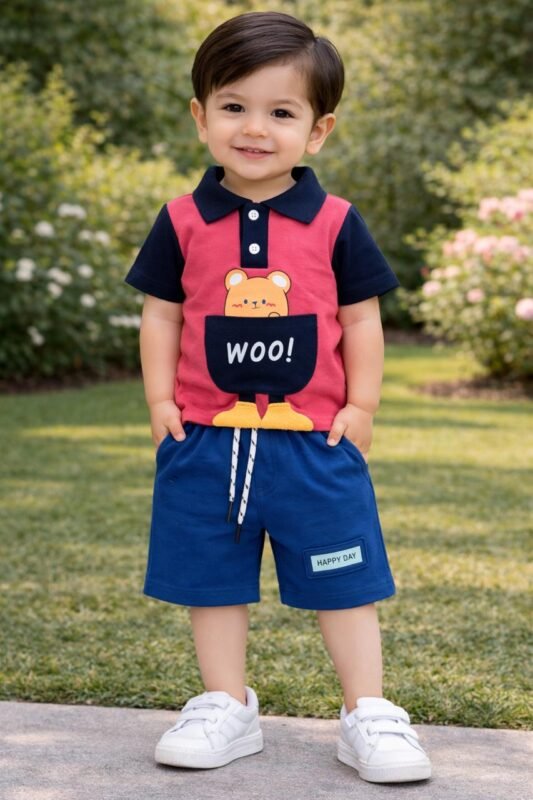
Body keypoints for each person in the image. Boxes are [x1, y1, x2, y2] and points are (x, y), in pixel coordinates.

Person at [124, 10, 431, 784]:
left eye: (281, 112)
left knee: (345, 580)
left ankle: (368, 711)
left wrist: (361, 407)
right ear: (201, 117)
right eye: (233, 106)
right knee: (210, 578)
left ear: (317, 131)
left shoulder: (335, 222)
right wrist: (160, 400)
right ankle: (224, 705)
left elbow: (360, 320)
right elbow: (162, 314)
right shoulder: (181, 220)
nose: (255, 128)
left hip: (314, 443)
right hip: (204, 438)